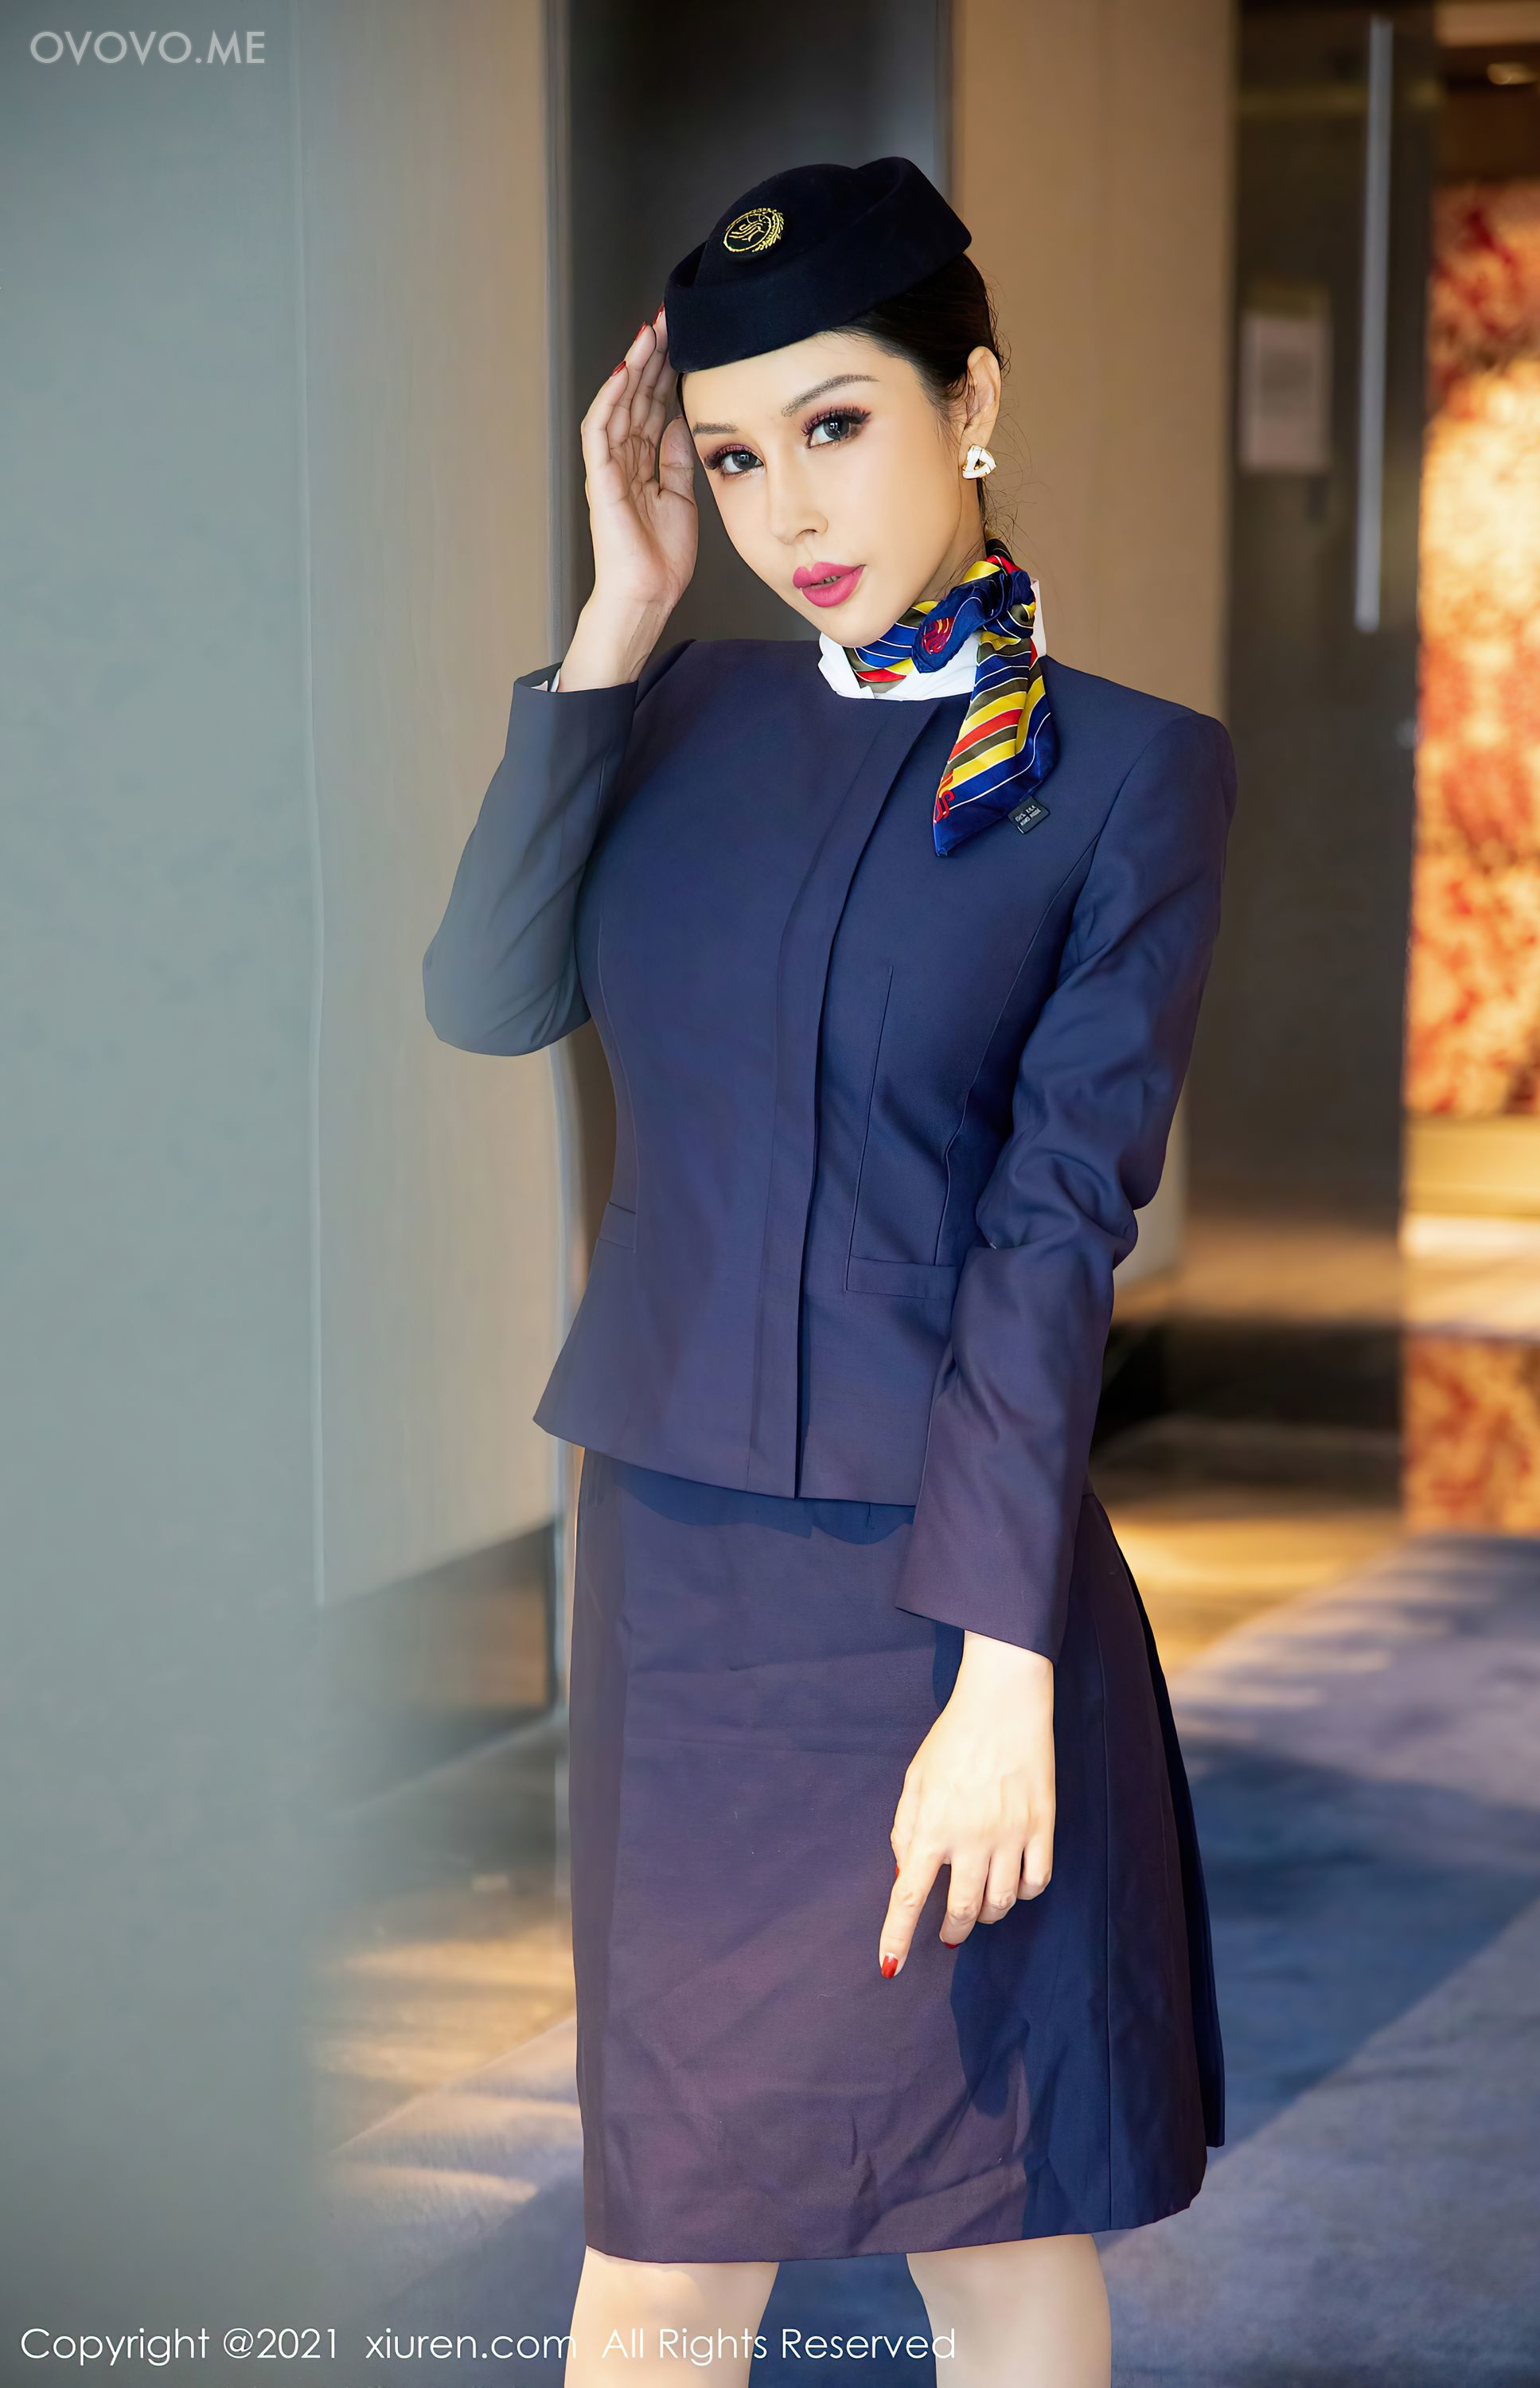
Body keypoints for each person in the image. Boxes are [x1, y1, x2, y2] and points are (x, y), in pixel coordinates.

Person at [424, 156, 1234, 2388]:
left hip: (934, 1583)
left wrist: (1004, 1675)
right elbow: (486, 993)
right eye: (732, 456)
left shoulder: (1130, 777)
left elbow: (1053, 1230)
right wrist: (617, 615)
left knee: (994, 2218)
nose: (791, 507)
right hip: (677, 1585)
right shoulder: (670, 715)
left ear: (972, 399)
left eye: (839, 425)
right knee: (667, 2238)